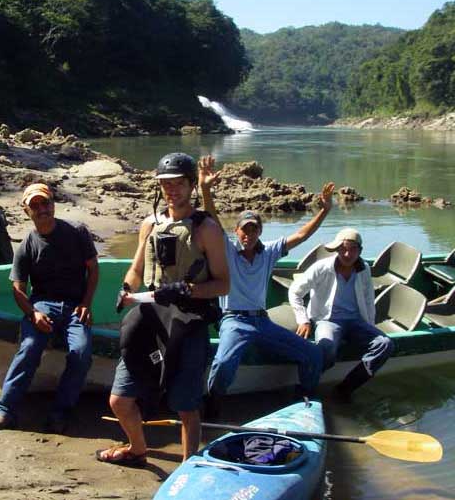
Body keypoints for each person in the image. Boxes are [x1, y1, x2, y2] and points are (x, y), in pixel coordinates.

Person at [96, 152, 229, 467]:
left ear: (191, 185)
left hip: (188, 322)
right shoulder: (150, 224)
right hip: (151, 320)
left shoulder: (206, 228)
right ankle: (137, 449)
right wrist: (126, 289)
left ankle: (188, 466)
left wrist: (187, 290)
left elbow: (224, 284)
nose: (172, 190)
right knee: (119, 400)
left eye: (178, 183)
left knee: (186, 406)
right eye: (166, 184)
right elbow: (136, 270)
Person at [199, 156, 333, 415]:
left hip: (262, 321)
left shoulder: (269, 251)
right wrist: (205, 189)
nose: (248, 235)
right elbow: (211, 219)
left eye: (254, 230)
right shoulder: (227, 249)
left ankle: (303, 400)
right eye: (244, 230)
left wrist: (324, 211)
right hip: (234, 320)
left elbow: (301, 235)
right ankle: (213, 403)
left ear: (260, 231)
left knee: (313, 355)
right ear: (236, 231)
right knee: (224, 362)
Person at [0, 183, 98, 433]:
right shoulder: (27, 244)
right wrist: (32, 313)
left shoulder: (77, 232)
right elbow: (18, 288)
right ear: (26, 211)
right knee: (29, 347)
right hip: (42, 305)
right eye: (35, 205)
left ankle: (61, 411)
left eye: (45, 203)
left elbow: (93, 269)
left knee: (81, 352)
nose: (41, 209)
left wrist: (86, 303)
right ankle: (6, 410)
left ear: (53, 204)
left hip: (75, 306)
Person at [288, 228, 394, 400]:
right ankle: (305, 389)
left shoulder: (364, 269)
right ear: (337, 249)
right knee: (327, 347)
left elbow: (369, 300)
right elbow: (295, 291)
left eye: (353, 250)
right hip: (327, 320)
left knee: (385, 344)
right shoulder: (322, 267)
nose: (347, 254)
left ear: (360, 251)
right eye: (343, 249)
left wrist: (370, 327)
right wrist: (303, 320)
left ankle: (345, 389)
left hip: (356, 321)